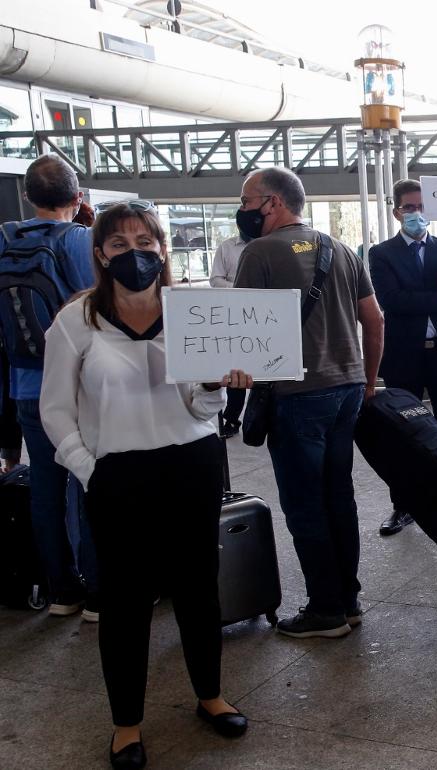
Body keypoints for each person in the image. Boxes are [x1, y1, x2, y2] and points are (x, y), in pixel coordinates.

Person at [40, 201, 251, 769]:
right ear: (101, 254)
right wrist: (89, 468)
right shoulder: (76, 319)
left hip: (192, 462)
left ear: (163, 248)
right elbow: (55, 409)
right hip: (117, 474)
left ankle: (209, 695)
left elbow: (205, 407)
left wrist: (215, 385)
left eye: (145, 242)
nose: (135, 253)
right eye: (119, 243)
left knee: (198, 588)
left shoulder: (194, 311)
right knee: (126, 601)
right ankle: (126, 724)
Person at [234, 167, 384, 638]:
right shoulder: (339, 248)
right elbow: (374, 320)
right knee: (339, 496)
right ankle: (349, 600)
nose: (243, 211)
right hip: (346, 389)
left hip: (297, 393)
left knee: (304, 505)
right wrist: (368, 380)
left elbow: (243, 332)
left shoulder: (259, 252)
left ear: (273, 203)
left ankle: (326, 610)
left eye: (247, 201)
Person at [1, 155, 98, 619]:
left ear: (27, 197)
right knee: (89, 482)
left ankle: (62, 590)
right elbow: (102, 309)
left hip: (25, 385)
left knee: (45, 485)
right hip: (79, 386)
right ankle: (99, 589)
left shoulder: (4, 239)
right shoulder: (81, 240)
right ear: (77, 198)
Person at [369, 179, 437, 536]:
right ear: (396, 211)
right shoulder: (381, 254)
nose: (416, 214)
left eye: (421, 207)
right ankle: (403, 505)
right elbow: (394, 301)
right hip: (405, 355)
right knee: (403, 434)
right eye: (408, 208)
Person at [209, 228, 252, 438]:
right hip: (234, 315)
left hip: (266, 315)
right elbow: (215, 280)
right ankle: (232, 419)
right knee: (238, 370)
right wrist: (242, 287)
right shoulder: (227, 247)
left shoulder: (272, 245)